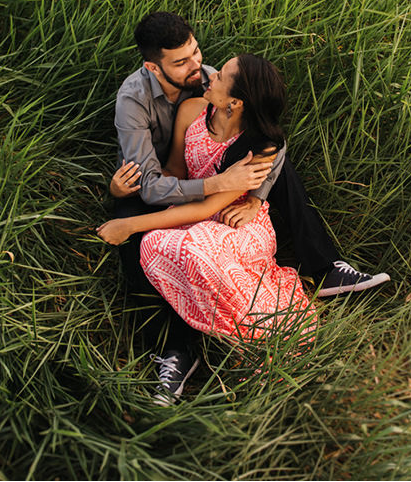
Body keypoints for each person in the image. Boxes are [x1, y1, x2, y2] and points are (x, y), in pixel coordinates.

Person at [102, 12, 389, 404]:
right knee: (131, 234)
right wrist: (213, 186)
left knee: (275, 167)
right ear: (154, 66)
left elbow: (272, 137)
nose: (200, 69)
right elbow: (154, 184)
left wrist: (254, 196)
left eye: (197, 53)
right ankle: (175, 350)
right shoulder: (133, 100)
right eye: (182, 62)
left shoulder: (210, 83)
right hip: (155, 183)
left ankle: (323, 268)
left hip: (220, 190)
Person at [98, 54, 317, 355]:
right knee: (154, 244)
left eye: (221, 76)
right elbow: (176, 171)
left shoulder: (259, 146)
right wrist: (136, 185)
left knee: (195, 248)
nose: (209, 75)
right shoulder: (191, 111)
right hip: (188, 215)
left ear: (236, 102)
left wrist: (129, 225)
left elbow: (206, 209)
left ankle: (259, 329)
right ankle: (210, 324)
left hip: (236, 222)